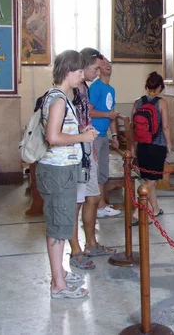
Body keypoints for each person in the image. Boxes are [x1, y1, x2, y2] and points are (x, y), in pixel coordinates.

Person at [36, 50, 98, 299]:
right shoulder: (59, 99)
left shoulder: (58, 97)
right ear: (68, 71)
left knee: (59, 224)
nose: (83, 76)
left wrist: (80, 130)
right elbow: (53, 137)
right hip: (58, 171)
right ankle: (58, 284)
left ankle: (59, 273)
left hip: (61, 170)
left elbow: (59, 131)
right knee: (58, 226)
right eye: (80, 71)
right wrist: (82, 137)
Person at [68, 48, 116, 270]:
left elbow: (85, 120)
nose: (97, 72)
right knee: (77, 202)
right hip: (74, 153)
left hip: (88, 151)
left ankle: (91, 243)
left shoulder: (85, 89)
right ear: (82, 66)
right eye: (95, 68)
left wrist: (91, 149)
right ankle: (75, 249)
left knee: (93, 198)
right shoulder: (69, 92)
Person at [131, 71, 173, 224]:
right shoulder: (161, 103)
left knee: (149, 178)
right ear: (161, 87)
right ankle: (137, 211)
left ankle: (155, 209)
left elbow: (133, 126)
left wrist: (133, 147)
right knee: (152, 181)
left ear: (146, 86)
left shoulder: (138, 102)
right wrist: (169, 145)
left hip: (142, 145)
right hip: (157, 146)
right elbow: (166, 126)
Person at [89, 57, 122, 218]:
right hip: (93, 134)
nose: (107, 65)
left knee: (102, 171)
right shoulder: (95, 88)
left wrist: (114, 135)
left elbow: (112, 114)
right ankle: (98, 206)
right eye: (103, 64)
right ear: (97, 69)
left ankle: (101, 205)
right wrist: (108, 114)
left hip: (103, 136)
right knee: (95, 171)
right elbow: (89, 111)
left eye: (109, 63)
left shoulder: (111, 89)